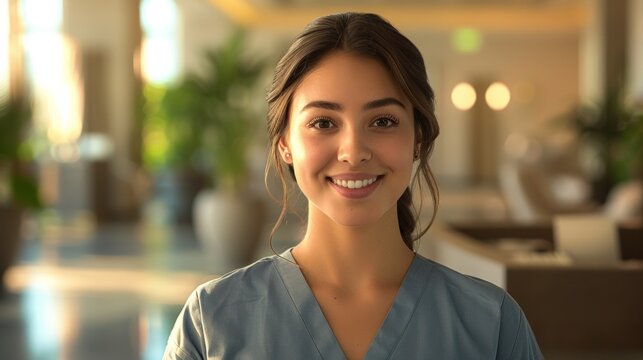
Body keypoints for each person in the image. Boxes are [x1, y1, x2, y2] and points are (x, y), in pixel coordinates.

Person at [163, 12, 543, 360]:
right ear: (284, 144)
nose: (353, 151)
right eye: (324, 123)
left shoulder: (490, 323)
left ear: (419, 140)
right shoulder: (213, 321)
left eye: (383, 122)